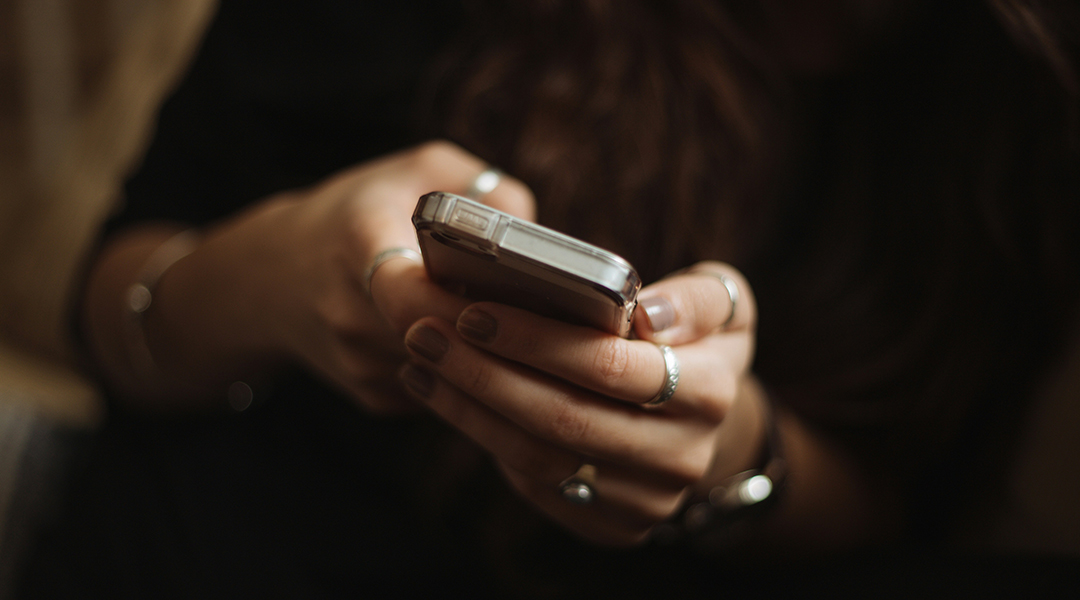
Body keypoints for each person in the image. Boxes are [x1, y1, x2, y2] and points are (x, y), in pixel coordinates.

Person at [20, 0, 1080, 596]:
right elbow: (111, 312)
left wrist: (732, 449)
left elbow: (920, 516)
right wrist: (285, 270)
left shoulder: (1024, 99)